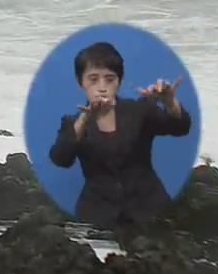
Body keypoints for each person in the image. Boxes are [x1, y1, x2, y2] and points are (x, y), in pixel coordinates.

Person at [48, 41, 192, 228]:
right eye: (93, 79)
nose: (102, 87)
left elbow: (180, 127)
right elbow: (61, 158)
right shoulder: (73, 122)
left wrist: (170, 102)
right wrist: (84, 119)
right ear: (80, 82)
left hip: (150, 212)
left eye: (109, 79)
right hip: (97, 216)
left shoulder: (140, 110)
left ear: (119, 81)